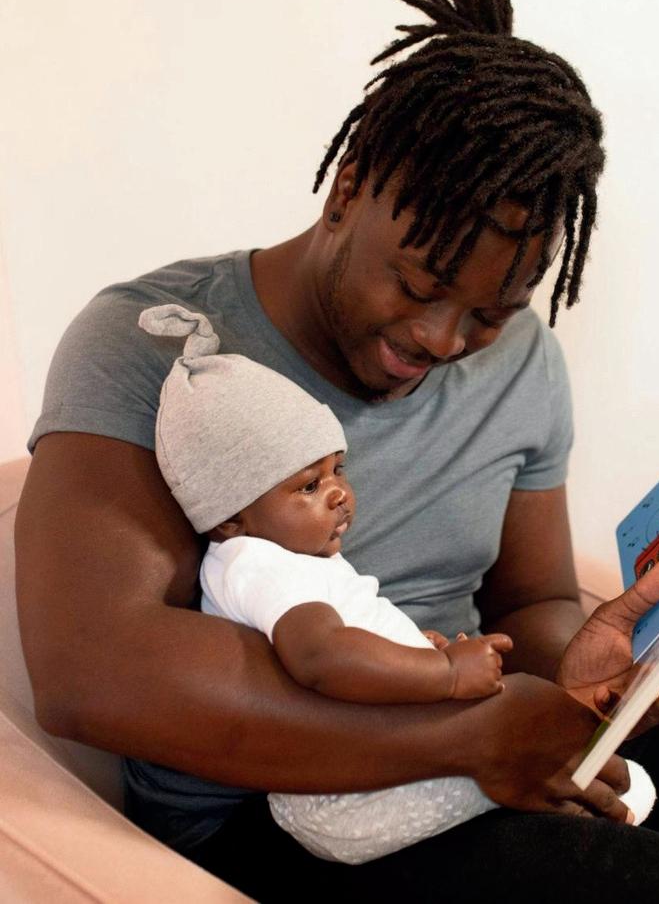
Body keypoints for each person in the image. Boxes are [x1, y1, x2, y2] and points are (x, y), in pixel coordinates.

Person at [16, 0, 659, 902]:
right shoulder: (153, 343)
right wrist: (464, 735)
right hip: (275, 810)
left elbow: (531, 601)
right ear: (348, 189)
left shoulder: (524, 362)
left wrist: (589, 668)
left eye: (490, 313)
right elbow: (92, 670)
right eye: (419, 284)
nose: (442, 340)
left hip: (477, 734)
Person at [137, 300, 515, 862]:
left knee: (525, 742)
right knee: (522, 751)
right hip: (339, 796)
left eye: (338, 469)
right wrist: (446, 673)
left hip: (358, 773)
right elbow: (322, 656)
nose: (339, 492)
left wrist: (411, 649)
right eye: (308, 486)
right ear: (229, 517)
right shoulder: (255, 562)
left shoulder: (292, 556)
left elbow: (349, 638)